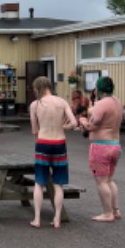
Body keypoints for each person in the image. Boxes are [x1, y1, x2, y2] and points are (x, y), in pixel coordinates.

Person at [29, 76, 78, 229]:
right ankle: (56, 218)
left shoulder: (35, 104)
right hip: (59, 143)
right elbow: (74, 123)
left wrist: (40, 134)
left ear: (38, 88)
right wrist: (63, 128)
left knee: (39, 182)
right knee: (58, 184)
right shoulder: (62, 102)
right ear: (50, 86)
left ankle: (37, 219)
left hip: (43, 143)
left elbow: (34, 130)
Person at [78, 76, 124, 222]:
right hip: (115, 145)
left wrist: (83, 121)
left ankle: (107, 213)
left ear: (98, 89)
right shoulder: (117, 102)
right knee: (110, 180)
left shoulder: (102, 104)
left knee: (101, 182)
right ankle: (116, 210)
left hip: (101, 146)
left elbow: (93, 126)